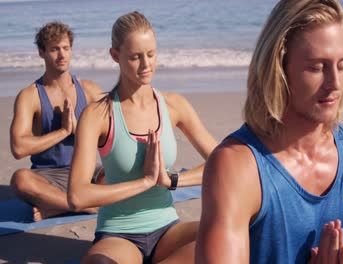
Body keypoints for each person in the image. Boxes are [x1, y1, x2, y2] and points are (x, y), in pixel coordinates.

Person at [195, 0, 343, 263]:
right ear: (279, 69)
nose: (335, 83)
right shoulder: (237, 167)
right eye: (317, 67)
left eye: (341, 65)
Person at [67, 11, 217, 264]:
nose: (146, 65)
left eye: (151, 54)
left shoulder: (173, 105)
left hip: (168, 229)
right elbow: (77, 196)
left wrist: (170, 179)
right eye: (135, 57)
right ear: (115, 56)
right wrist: (146, 181)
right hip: (119, 235)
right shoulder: (98, 115)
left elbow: (222, 161)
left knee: (227, 239)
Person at [9, 21, 105, 222]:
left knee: (124, 171)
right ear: (41, 53)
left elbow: (114, 133)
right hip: (48, 178)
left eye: (66, 48)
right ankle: (89, 206)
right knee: (20, 180)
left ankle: (56, 208)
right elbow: (18, 148)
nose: (62, 55)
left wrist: (81, 131)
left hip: (87, 172)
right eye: (54, 49)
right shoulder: (30, 96)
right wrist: (62, 132)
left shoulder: (89, 90)